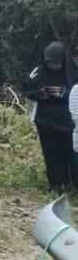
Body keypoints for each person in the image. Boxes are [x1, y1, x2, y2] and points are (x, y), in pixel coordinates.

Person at [24, 42, 77, 192]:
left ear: (63, 61)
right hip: (45, 121)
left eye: (56, 63)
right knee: (51, 154)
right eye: (49, 63)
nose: (53, 66)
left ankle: (71, 184)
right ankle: (55, 184)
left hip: (69, 122)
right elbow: (27, 89)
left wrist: (64, 93)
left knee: (70, 154)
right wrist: (40, 93)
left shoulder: (73, 72)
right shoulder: (38, 72)